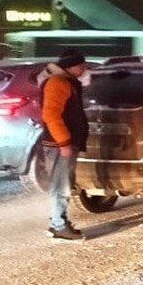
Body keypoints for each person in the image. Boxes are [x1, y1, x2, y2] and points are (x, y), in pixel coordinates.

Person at [39, 49, 89, 241]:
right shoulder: (58, 83)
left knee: (62, 184)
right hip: (59, 143)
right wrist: (64, 142)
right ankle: (59, 226)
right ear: (71, 66)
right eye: (81, 65)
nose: (84, 68)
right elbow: (51, 115)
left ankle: (58, 222)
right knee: (61, 185)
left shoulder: (66, 82)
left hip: (62, 142)